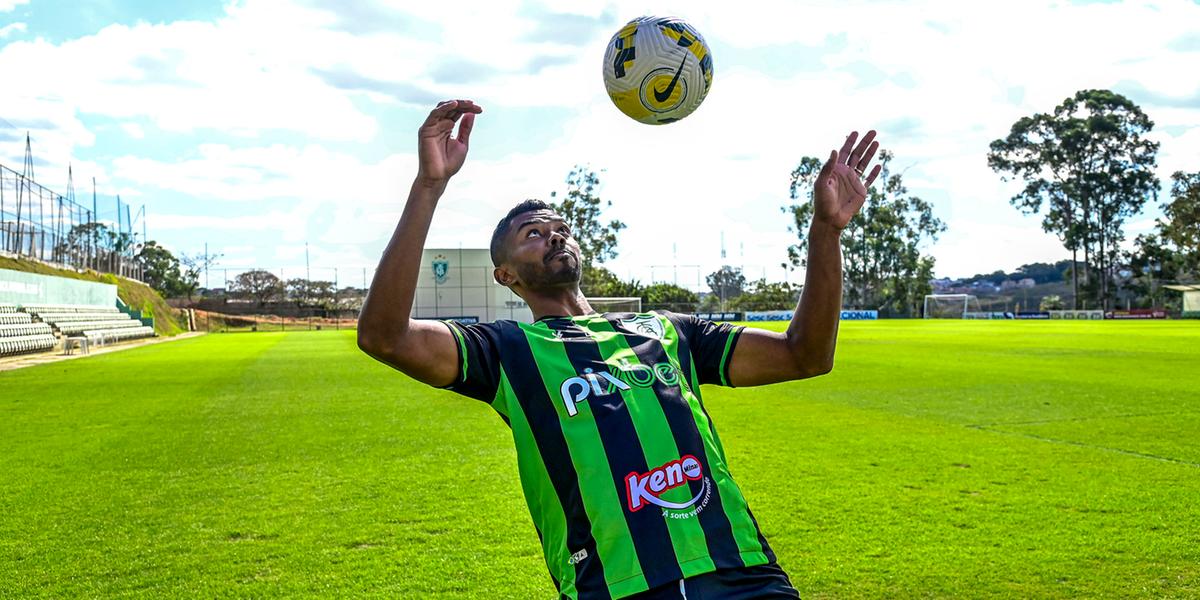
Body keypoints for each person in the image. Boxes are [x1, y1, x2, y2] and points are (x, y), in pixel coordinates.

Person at [358, 99, 881, 600]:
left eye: (561, 228)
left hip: (739, 570)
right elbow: (385, 337)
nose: (555, 236)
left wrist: (825, 232)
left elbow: (805, 355)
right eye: (533, 234)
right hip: (615, 586)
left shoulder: (669, 331)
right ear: (505, 274)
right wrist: (429, 186)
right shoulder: (507, 352)